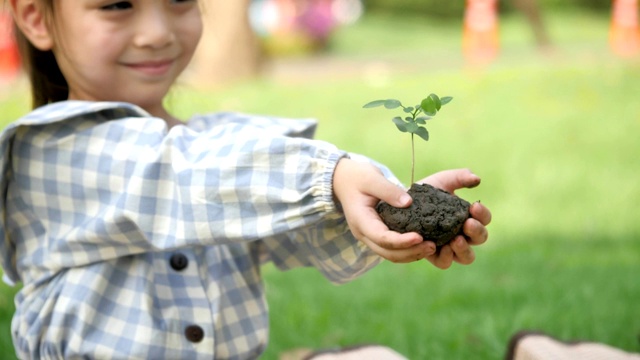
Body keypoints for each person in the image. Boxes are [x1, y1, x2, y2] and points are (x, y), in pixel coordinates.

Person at [1, 0, 492, 359]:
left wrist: (390, 213)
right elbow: (183, 177)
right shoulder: (52, 149)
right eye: (116, 6)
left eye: (178, 1)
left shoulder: (231, 149)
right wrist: (328, 176)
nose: (156, 32)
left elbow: (302, 228)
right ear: (37, 18)